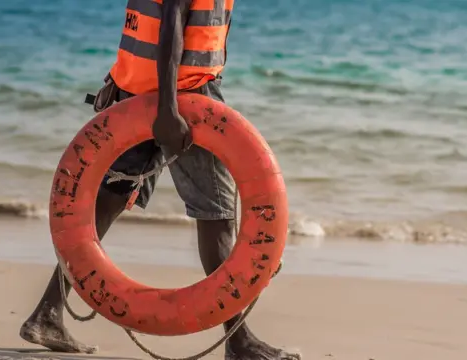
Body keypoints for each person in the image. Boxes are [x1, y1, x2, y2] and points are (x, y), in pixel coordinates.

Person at [19, 0, 300, 359]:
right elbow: (170, 25)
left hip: (137, 89)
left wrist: (116, 78)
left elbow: (145, 26)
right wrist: (168, 110)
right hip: (185, 97)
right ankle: (239, 340)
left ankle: (47, 312)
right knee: (216, 216)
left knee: (111, 198)